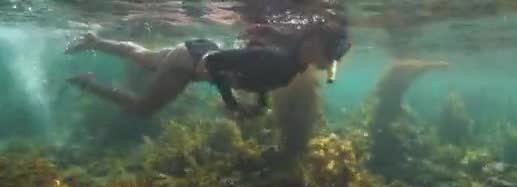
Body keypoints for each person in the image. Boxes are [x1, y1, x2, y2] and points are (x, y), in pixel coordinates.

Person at [64, 22, 351, 119]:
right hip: (189, 64)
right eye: (335, 50)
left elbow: (259, 73)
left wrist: (260, 101)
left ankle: (95, 41)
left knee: (142, 56)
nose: (336, 58)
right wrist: (232, 104)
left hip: (193, 50)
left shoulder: (290, 64)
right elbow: (215, 63)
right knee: (142, 109)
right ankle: (87, 83)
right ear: (313, 41)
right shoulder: (280, 60)